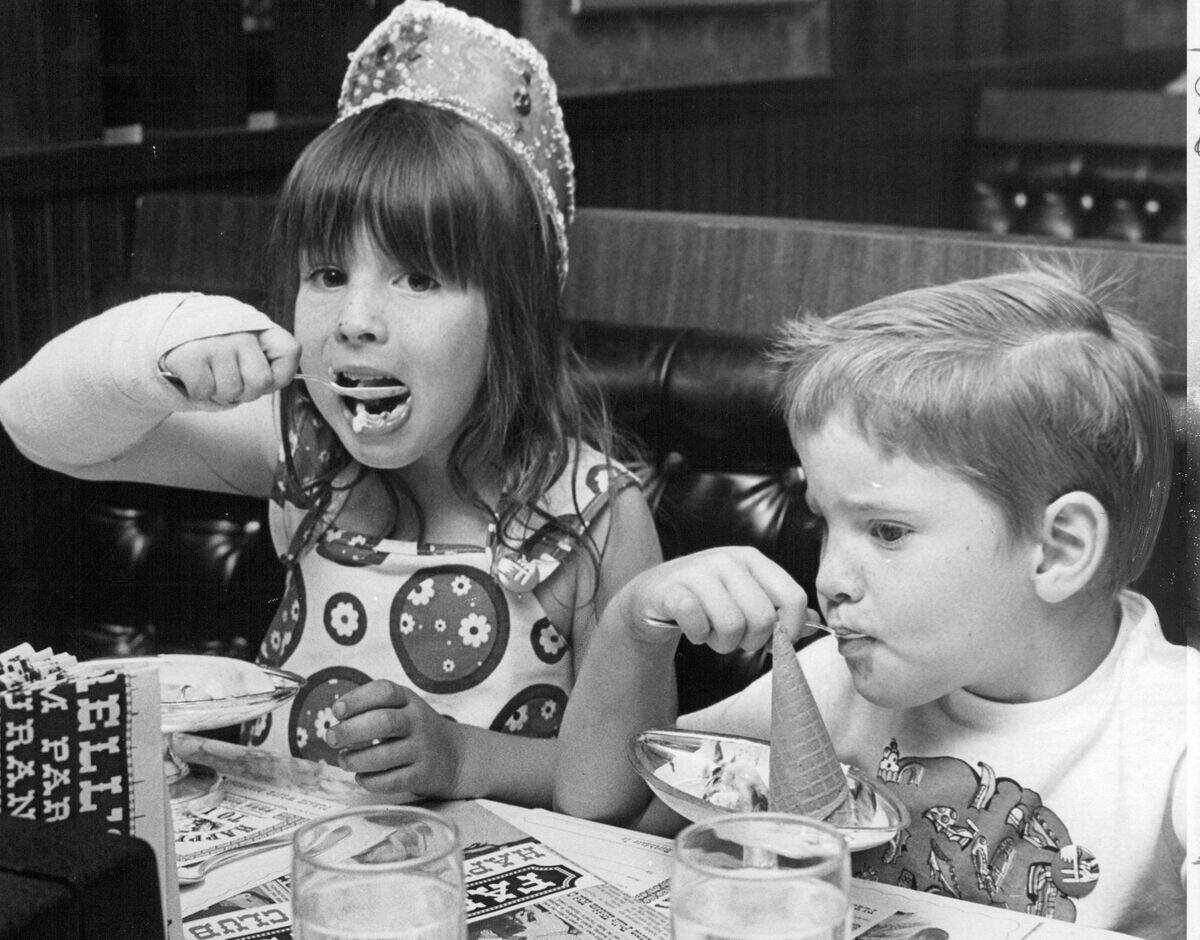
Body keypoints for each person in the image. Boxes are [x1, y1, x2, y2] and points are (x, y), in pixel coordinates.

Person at [0, 0, 661, 808]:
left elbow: (623, 790)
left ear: (513, 313)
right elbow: (36, 425)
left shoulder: (596, 519)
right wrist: (168, 342)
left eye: (418, 277)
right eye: (327, 275)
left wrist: (463, 759)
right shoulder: (302, 451)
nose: (355, 321)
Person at [555, 265, 1189, 939]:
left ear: (1059, 548)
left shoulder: (1177, 733)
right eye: (826, 522)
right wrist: (632, 628)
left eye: (886, 531)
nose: (829, 577)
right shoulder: (837, 678)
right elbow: (604, 818)